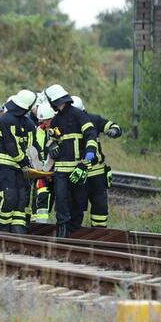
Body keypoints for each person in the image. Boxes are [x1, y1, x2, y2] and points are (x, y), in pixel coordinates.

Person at [43, 85, 98, 237]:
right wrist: (52, 145)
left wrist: (88, 156)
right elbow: (50, 139)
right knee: (61, 200)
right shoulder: (55, 120)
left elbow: (90, 134)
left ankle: (74, 232)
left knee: (79, 201)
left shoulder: (79, 115)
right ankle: (62, 232)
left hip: (78, 167)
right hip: (60, 169)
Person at [71, 96, 123, 227]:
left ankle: (99, 232)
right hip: (76, 173)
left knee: (100, 205)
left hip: (96, 172)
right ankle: (74, 233)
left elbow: (112, 125)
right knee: (76, 206)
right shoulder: (66, 123)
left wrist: (114, 131)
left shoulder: (93, 119)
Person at [0, 89, 37, 233]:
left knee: (21, 198)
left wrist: (35, 163)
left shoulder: (29, 124)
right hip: (3, 165)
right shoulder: (6, 119)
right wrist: (25, 163)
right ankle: (3, 228)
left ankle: (17, 229)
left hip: (20, 167)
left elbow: (31, 145)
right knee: (9, 196)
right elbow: (11, 145)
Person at [29, 102, 57, 224]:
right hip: (42, 172)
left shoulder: (58, 132)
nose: (44, 123)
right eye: (42, 120)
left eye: (47, 120)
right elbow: (35, 152)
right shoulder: (38, 132)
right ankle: (39, 224)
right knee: (41, 196)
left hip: (56, 171)